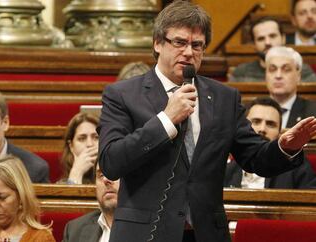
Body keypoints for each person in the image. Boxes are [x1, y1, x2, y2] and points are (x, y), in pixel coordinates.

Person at [97, 1, 316, 242]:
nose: (189, 52)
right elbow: (111, 161)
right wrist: (166, 120)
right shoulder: (123, 94)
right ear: (157, 43)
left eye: (197, 45)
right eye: (179, 42)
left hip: (206, 233)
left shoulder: (224, 98)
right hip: (144, 233)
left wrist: (287, 147)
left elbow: (254, 158)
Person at [224, 97, 316, 189]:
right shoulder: (225, 169)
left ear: (279, 134)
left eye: (270, 124)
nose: (262, 129)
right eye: (256, 122)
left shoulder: (297, 167)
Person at [230, 16, 316, 82]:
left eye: (272, 36)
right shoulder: (241, 73)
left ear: (283, 38)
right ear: (254, 45)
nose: (267, 42)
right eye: (261, 39)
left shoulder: (302, 71)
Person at [62, 162, 120, 242]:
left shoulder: (143, 228)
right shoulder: (74, 230)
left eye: (116, 173)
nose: (106, 179)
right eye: (101, 175)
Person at [265, 46, 316, 128]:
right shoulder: (249, 112)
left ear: (298, 76)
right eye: (272, 69)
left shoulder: (313, 113)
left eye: (286, 69)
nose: (278, 76)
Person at [59, 112, 99, 184]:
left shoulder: (119, 179)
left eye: (96, 137)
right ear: (71, 146)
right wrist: (76, 173)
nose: (90, 144)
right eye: (82, 139)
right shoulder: (61, 186)